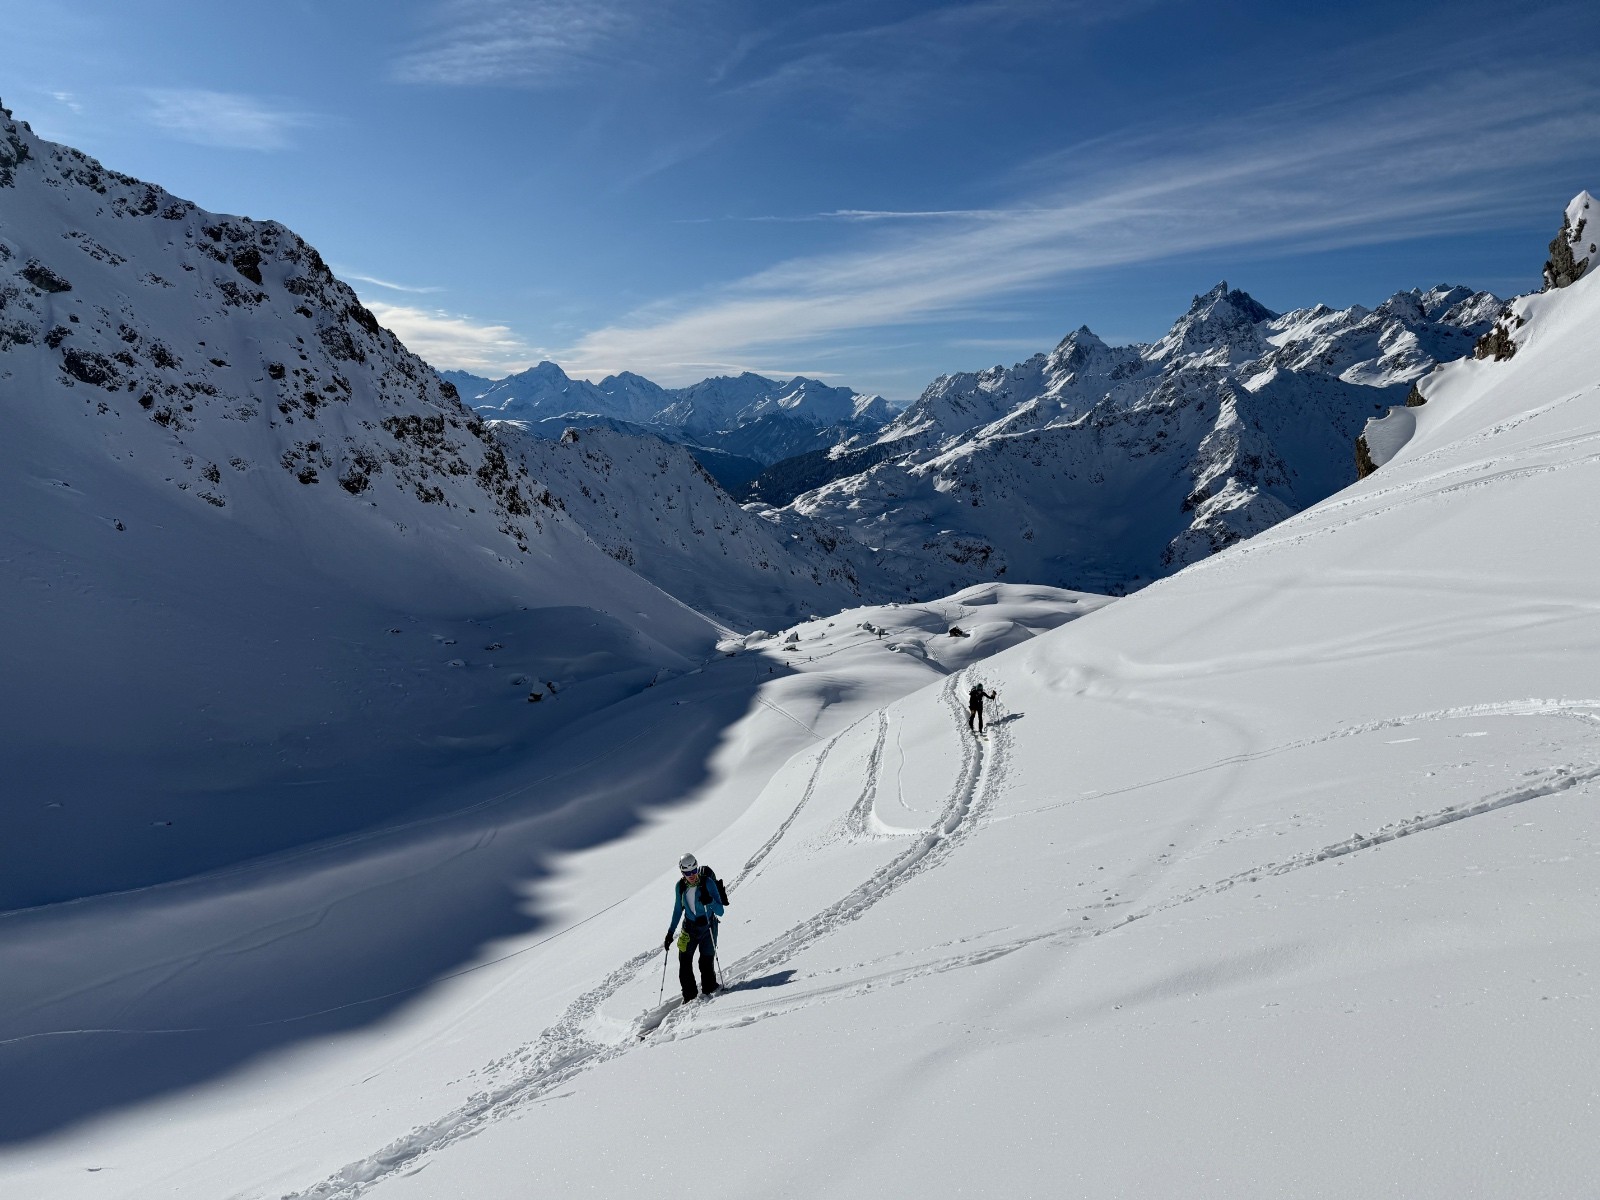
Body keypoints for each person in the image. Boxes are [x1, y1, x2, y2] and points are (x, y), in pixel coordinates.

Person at [664, 852, 724, 1002]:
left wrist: (709, 900)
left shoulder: (708, 883)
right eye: (687, 872)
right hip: (689, 929)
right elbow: (678, 910)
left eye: (694, 870)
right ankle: (689, 997)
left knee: (705, 961)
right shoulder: (680, 887)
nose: (691, 875)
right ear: (682, 872)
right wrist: (670, 933)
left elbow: (720, 911)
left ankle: (710, 988)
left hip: (708, 926)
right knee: (684, 962)